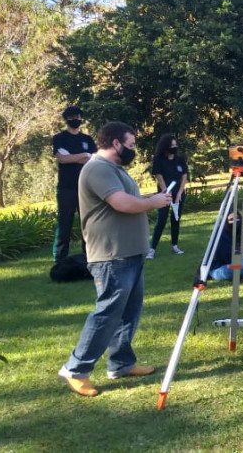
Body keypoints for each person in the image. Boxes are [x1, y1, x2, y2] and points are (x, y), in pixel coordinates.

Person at [57, 122, 172, 397]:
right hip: (111, 255)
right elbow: (121, 203)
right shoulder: (98, 168)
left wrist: (151, 199)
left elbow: (129, 200)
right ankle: (75, 369)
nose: (134, 150)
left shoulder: (115, 169)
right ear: (116, 143)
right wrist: (153, 202)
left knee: (128, 312)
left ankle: (121, 364)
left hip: (129, 252)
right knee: (107, 313)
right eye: (131, 145)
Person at [52, 106, 97, 262]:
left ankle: (88, 257)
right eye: (71, 117)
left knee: (87, 223)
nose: (75, 120)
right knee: (64, 224)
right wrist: (84, 155)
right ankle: (59, 259)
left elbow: (93, 159)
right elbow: (63, 159)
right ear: (66, 119)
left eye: (77, 116)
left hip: (85, 188)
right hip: (66, 188)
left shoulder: (87, 139)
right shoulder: (59, 138)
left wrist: (74, 157)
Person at [148, 134, 189, 259]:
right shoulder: (158, 160)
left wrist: (180, 192)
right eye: (172, 145)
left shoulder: (180, 160)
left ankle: (174, 246)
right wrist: (166, 191)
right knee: (161, 220)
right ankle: (152, 249)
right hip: (164, 194)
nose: (174, 147)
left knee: (175, 219)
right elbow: (159, 177)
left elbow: (184, 175)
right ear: (166, 146)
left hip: (178, 195)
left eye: (175, 145)